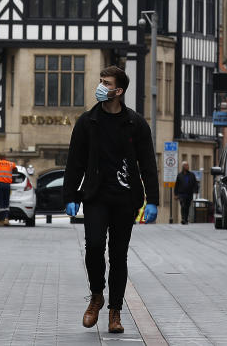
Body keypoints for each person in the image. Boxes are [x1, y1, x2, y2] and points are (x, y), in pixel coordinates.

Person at [64, 65, 157, 335]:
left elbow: (148, 164)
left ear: (119, 90)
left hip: (125, 199)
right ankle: (96, 295)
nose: (101, 86)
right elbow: (75, 162)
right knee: (93, 246)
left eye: (106, 83)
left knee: (118, 255)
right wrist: (70, 195)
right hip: (95, 196)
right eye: (100, 81)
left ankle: (115, 311)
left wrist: (152, 200)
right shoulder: (87, 122)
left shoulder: (136, 124)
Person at [0, 156, 16, 225]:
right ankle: (6, 219)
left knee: (1, 202)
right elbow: (15, 170)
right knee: (6, 202)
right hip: (7, 185)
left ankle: (1, 220)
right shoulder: (11, 164)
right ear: (5, 157)